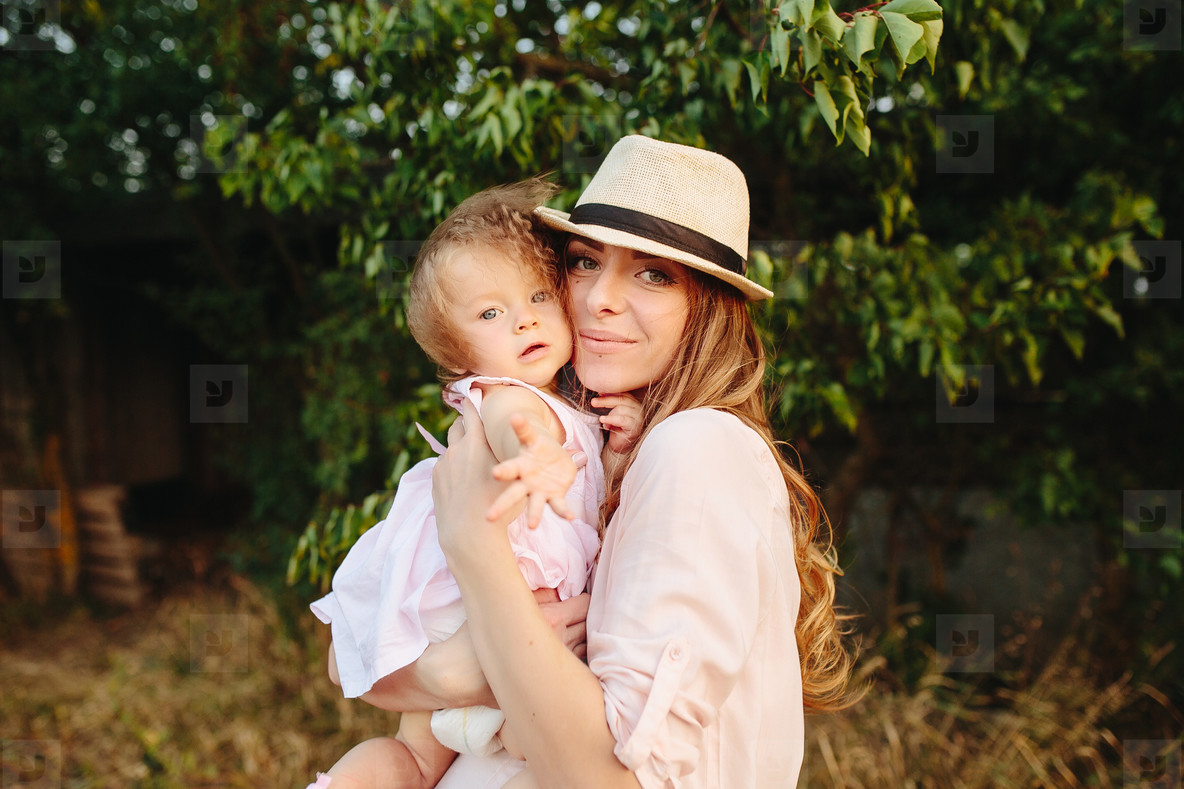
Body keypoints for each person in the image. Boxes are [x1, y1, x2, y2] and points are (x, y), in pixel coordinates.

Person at [417, 135, 860, 788]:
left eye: (653, 273)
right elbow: (357, 664)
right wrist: (439, 672)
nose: (598, 297)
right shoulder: (587, 445)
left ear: (706, 306)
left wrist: (473, 550)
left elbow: (609, 778)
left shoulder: (698, 448)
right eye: (583, 260)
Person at [305, 181, 643, 789]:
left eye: (539, 295)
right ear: (459, 353)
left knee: (411, 762)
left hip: (485, 621)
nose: (524, 319)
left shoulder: (570, 402)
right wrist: (538, 454)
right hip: (487, 605)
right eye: (490, 314)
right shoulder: (504, 397)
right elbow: (518, 429)